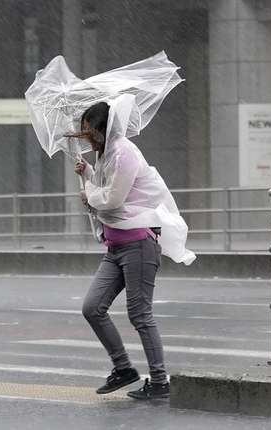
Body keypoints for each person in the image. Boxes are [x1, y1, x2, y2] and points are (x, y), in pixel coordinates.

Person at [71, 101, 194, 400]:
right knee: (92, 308)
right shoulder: (105, 154)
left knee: (140, 314)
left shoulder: (124, 152)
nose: (88, 136)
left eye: (92, 130)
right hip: (115, 246)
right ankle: (124, 369)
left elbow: (113, 198)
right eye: (85, 130)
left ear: (106, 128)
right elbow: (104, 188)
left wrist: (89, 194)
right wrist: (88, 172)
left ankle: (160, 381)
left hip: (138, 243)